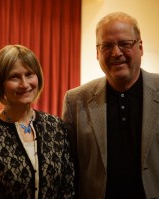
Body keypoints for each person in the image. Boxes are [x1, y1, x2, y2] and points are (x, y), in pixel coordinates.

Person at [62, 12, 159, 199]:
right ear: (97, 53)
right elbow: (69, 171)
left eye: (124, 44)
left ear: (140, 47)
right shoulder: (75, 101)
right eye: (106, 46)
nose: (116, 53)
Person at [0, 44, 75, 198]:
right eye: (14, 77)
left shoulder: (56, 126)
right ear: (0, 84)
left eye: (29, 74)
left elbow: (68, 187)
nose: (24, 84)